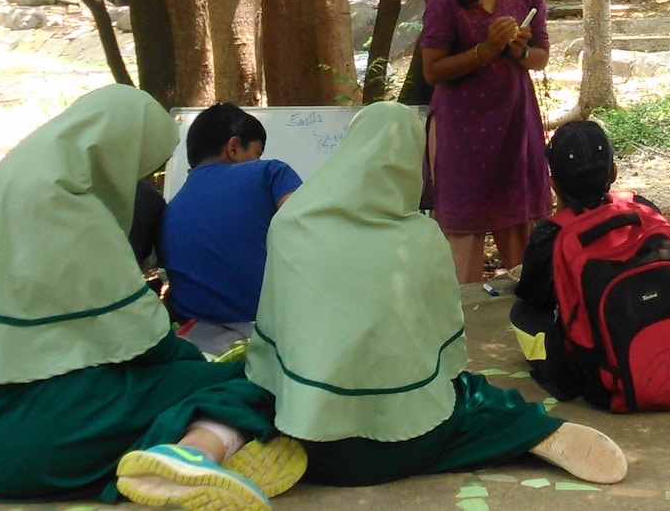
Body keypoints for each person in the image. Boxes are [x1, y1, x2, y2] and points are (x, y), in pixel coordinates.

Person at [0, 85, 306, 511]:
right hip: (41, 450)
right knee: (254, 379)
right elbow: (148, 347)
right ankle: (196, 453)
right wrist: (198, 366)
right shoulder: (73, 212)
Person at [248, 102, 627, 487]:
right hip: (411, 445)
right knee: (473, 395)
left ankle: (218, 443)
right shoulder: (422, 240)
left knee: (236, 383)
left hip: (307, 438)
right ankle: (529, 430)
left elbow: (271, 347)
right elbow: (446, 359)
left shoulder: (290, 226)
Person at [420, 0, 552, 284]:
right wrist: (485, 51)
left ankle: (528, 330)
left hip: (514, 120)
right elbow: (432, 70)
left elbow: (540, 56)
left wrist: (519, 51)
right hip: (461, 127)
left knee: (520, 229)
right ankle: (462, 333)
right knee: (463, 233)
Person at [509, 120, 650, 401]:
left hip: (602, 366)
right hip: (652, 323)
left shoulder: (551, 235)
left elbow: (534, 297)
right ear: (613, 171)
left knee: (521, 312)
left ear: (553, 183)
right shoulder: (643, 209)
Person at [159, 104, 301, 354]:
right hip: (270, 338)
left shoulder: (169, 211)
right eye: (256, 153)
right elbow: (310, 227)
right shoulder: (269, 173)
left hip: (196, 346)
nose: (257, 160)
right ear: (234, 147)